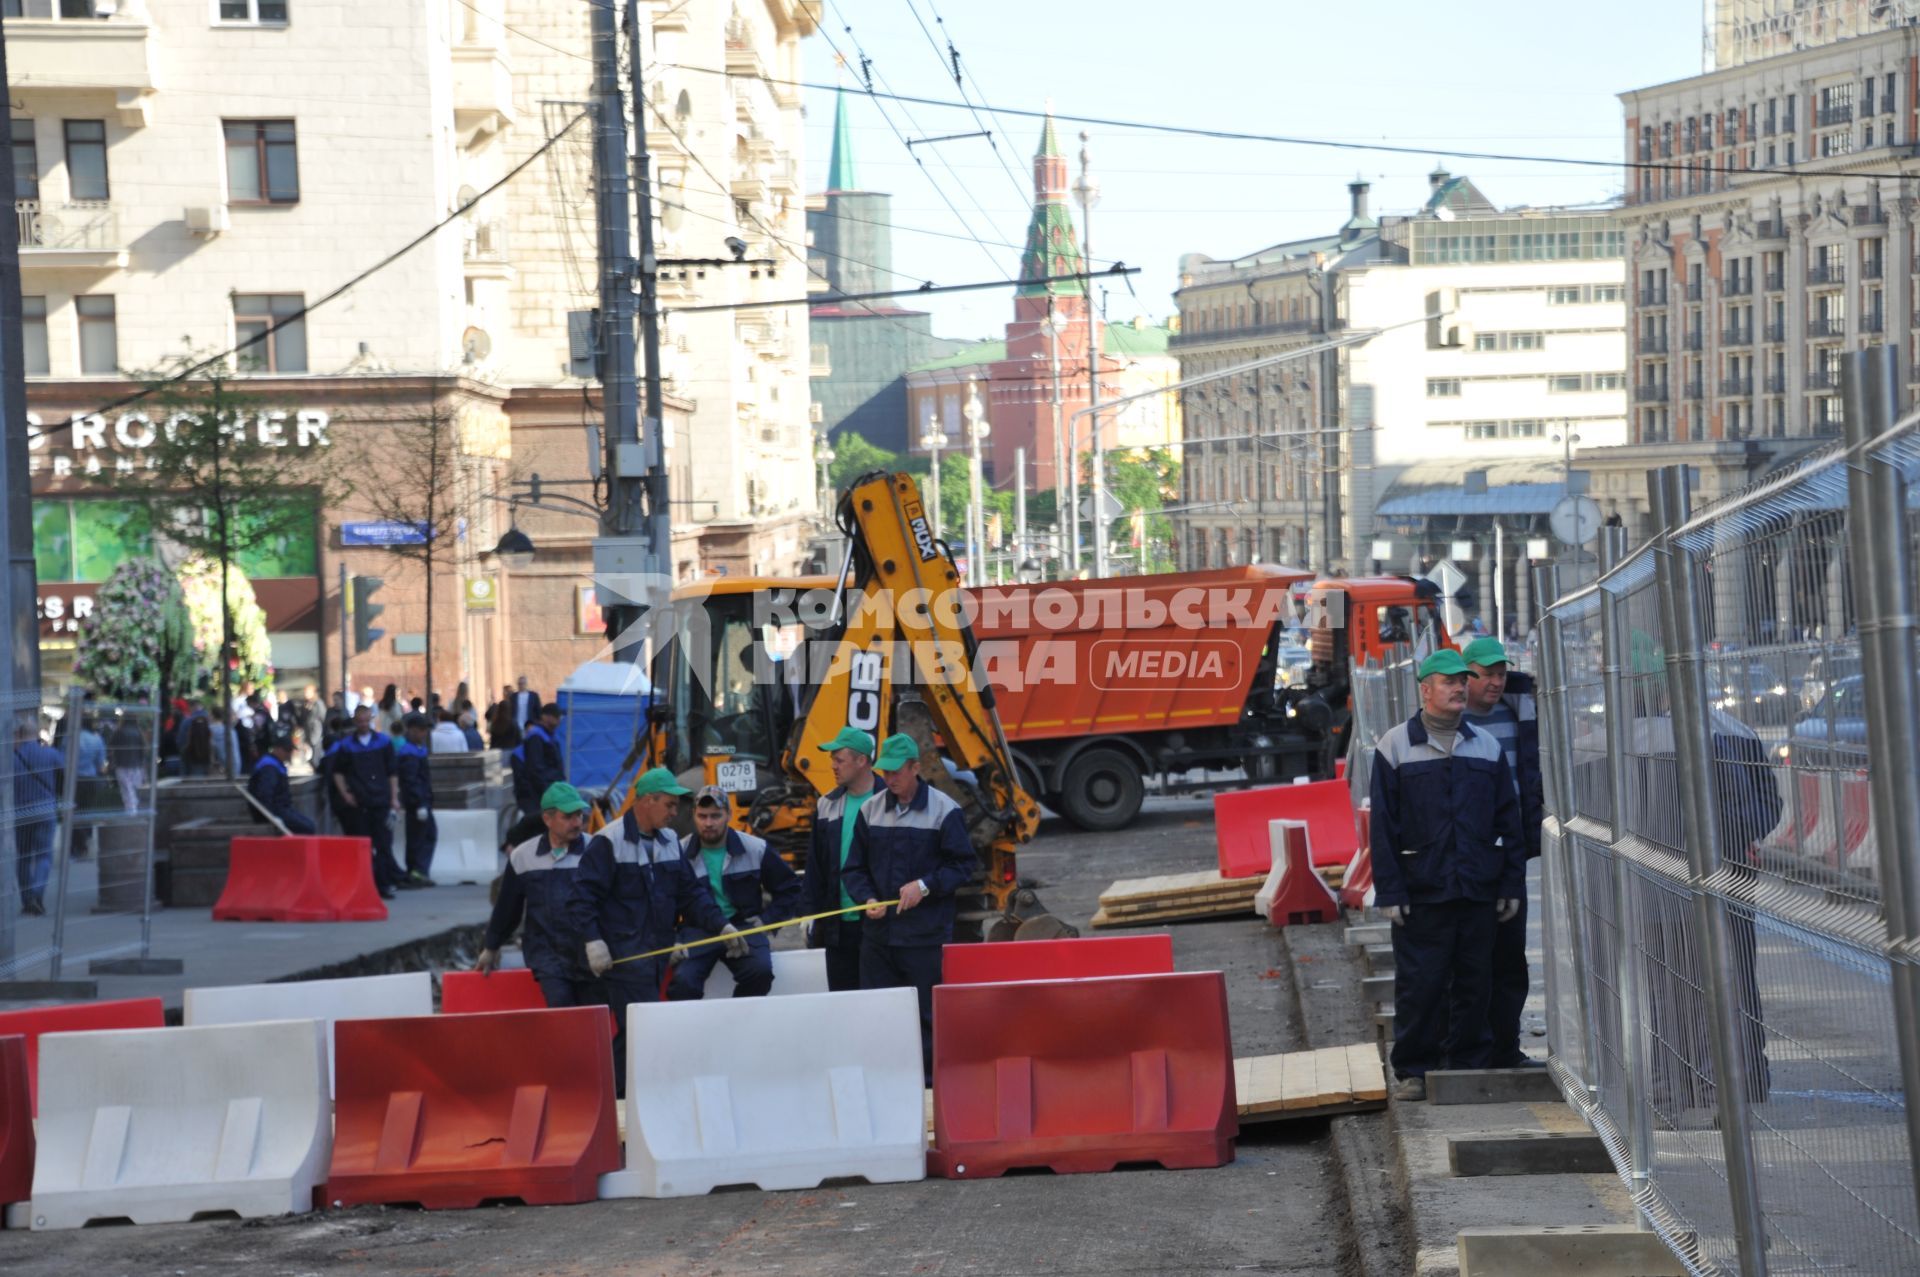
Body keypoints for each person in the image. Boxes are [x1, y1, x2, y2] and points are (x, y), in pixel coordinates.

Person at [1370, 648, 1525, 1101]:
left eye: (1462, 682)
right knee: (1422, 982)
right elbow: (1382, 826)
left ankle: (1465, 1067)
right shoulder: (1396, 745)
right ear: (1425, 689)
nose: (1460, 688)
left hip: (1476, 886)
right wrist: (1391, 889)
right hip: (1423, 888)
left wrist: (1510, 883)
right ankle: (1414, 1070)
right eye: (1449, 682)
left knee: (1475, 980)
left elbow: (1507, 822)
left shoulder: (1485, 746)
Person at [570, 767, 742, 1094]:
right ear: (648, 801)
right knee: (644, 1030)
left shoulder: (669, 841)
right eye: (670, 805)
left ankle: (615, 1095)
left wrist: (722, 926)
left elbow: (689, 894)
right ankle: (632, 1098)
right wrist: (593, 941)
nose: (676, 813)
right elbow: (582, 898)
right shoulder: (609, 841)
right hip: (623, 958)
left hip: (654, 955)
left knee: (635, 1032)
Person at [841, 733, 976, 1081]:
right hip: (878, 937)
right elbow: (853, 869)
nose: (889, 780)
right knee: (878, 1012)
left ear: (916, 768)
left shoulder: (945, 810)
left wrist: (925, 886)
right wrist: (867, 898)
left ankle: (930, 1087)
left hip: (923, 936)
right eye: (885, 773)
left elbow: (962, 865)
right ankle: (885, 1079)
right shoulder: (871, 810)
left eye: (896, 772)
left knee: (926, 1016)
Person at [1460, 637, 1546, 1070]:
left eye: (1499, 673)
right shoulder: (1449, 721)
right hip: (1465, 854)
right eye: (1485, 674)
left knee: (1510, 956)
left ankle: (1505, 1049)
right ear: (1465, 674)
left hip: (1508, 852)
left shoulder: (1519, 713)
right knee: (1470, 956)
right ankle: (1470, 1052)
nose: (1494, 682)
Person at [665, 785, 802, 1000]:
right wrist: (671, 939)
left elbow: (791, 888)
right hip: (697, 931)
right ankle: (692, 1030)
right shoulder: (678, 853)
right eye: (702, 816)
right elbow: (665, 901)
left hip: (743, 926)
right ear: (693, 816)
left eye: (715, 816)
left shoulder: (755, 848)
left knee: (761, 972)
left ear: (729, 815)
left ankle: (736, 1020)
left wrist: (767, 921)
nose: (708, 823)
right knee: (683, 983)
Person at [479, 782, 599, 1009]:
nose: (577, 823)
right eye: (568, 817)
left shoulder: (597, 851)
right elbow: (508, 907)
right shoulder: (524, 856)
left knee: (590, 1017)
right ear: (547, 819)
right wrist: (491, 946)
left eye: (579, 816)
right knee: (562, 1010)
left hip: (589, 954)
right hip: (547, 956)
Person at [802, 726, 882, 991]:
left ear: (861, 761)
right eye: (832, 760)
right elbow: (816, 865)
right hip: (839, 922)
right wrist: (810, 913)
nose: (832, 766)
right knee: (843, 997)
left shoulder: (889, 800)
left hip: (879, 920)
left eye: (839, 760)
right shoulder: (827, 804)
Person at [326, 703, 404, 900]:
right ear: (355, 721)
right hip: (360, 802)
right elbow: (338, 773)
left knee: (384, 844)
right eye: (360, 721)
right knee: (363, 846)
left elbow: (392, 773)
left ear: (371, 720)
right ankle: (367, 883)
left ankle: (384, 884)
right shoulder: (347, 746)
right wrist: (346, 795)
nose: (363, 724)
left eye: (366, 721)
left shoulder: (383, 743)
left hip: (380, 800)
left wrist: (394, 799)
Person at [13, 717, 62, 916]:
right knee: (44, 855)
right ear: (37, 733)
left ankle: (26, 900)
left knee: (23, 858)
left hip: (21, 812)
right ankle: (37, 894)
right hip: (45, 810)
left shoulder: (11, 758)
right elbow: (65, 771)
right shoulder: (50, 754)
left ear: (19, 734)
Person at [506, 702, 566, 850]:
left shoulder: (547, 736)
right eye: (555, 717)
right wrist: (549, 792)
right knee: (535, 827)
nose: (559, 721)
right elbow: (536, 769)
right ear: (545, 717)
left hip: (542, 791)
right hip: (533, 794)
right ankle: (514, 848)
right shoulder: (536, 737)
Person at [395, 712, 438, 888]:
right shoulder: (409, 753)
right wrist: (419, 802)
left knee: (424, 836)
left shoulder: (416, 750)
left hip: (421, 801)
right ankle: (417, 871)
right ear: (411, 730)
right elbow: (411, 781)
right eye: (421, 730)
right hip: (417, 803)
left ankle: (419, 871)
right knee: (420, 837)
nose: (424, 734)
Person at [247, 729, 315, 835]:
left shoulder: (274, 764)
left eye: (290, 751)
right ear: (277, 749)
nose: (289, 754)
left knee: (309, 825)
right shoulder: (269, 767)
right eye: (287, 750)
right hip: (275, 810)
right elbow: (265, 794)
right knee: (307, 828)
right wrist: (271, 817)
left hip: (281, 808)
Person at [109, 714, 147, 813]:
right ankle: (135, 811)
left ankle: (131, 812)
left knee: (126, 791)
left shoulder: (119, 731)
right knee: (135, 790)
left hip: (122, 765)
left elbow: (111, 746)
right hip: (137, 766)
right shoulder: (139, 733)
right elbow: (143, 751)